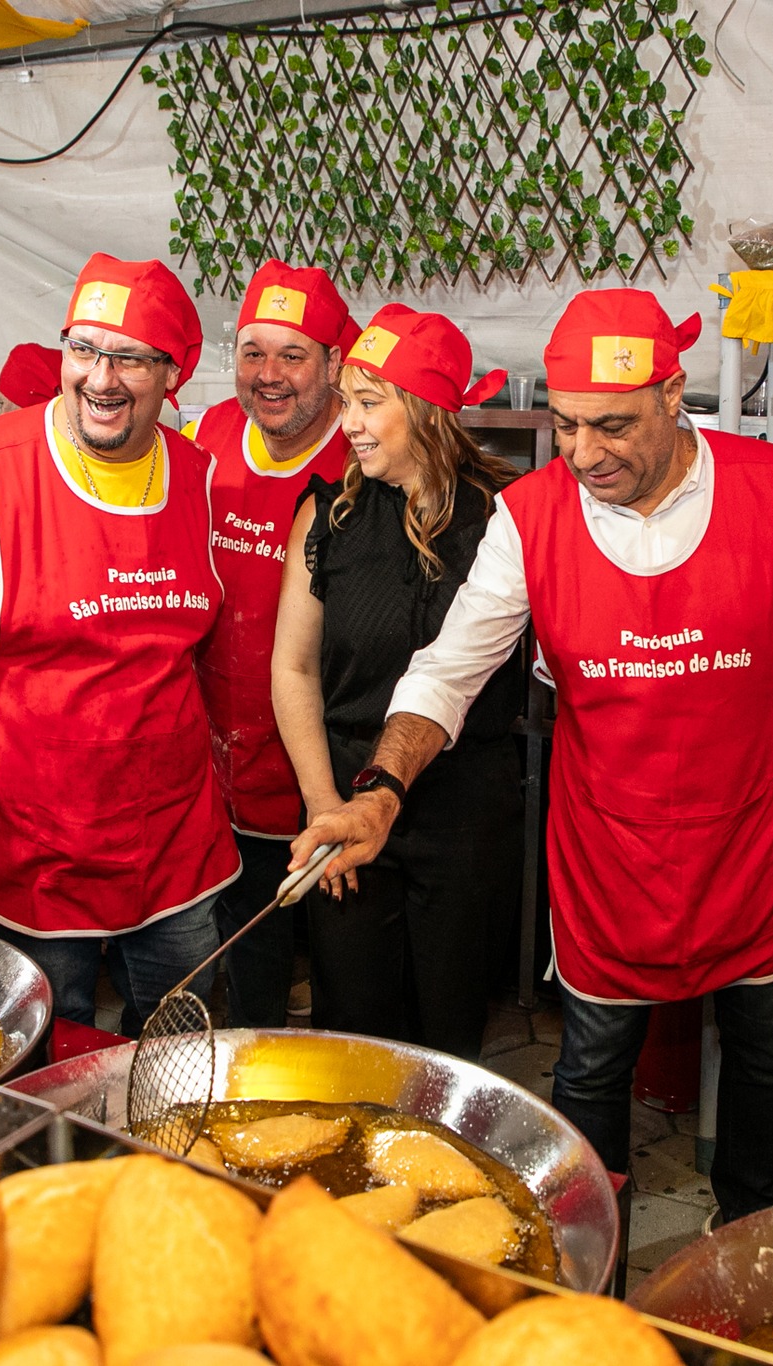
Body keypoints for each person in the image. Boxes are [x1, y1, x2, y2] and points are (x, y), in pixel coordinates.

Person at [293, 289, 773, 1222]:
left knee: (763, 1058)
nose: (585, 453)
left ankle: (753, 1233)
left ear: (674, 396)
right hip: (611, 851)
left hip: (753, 840)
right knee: (593, 1064)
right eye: (564, 426)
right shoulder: (532, 515)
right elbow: (447, 673)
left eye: (613, 425)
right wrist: (381, 791)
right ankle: (592, 1254)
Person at [0, 254, 239, 1030]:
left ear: (176, 373)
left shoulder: (197, 475)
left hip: (173, 838)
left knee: (186, 1053)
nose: (100, 378)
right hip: (32, 844)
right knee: (40, 1060)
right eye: (83, 349)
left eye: (130, 358)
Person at [271, 303, 522, 1059]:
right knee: (353, 1029)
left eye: (369, 403)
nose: (348, 421)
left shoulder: (505, 518)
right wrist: (323, 807)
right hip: (345, 792)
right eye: (347, 401)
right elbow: (294, 667)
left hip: (465, 804)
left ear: (428, 411)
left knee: (448, 1034)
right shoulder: (328, 514)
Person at [194, 260, 359, 1028]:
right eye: (253, 352)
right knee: (233, 937)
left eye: (292, 355)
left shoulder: (357, 458)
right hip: (209, 749)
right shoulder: (208, 437)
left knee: (326, 945)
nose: (269, 375)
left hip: (314, 760)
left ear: (333, 363)